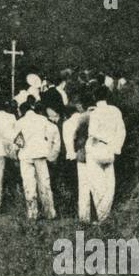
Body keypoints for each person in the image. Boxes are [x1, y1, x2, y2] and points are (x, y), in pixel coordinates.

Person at [85, 84, 126, 222]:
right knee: (110, 185)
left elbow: (92, 132)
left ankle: (102, 218)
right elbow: (121, 131)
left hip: (97, 148)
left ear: (94, 97)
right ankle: (105, 216)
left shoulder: (95, 113)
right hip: (110, 150)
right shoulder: (115, 111)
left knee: (97, 185)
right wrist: (116, 147)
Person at [14, 100, 61, 219]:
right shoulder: (42, 120)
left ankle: (32, 213)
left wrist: (16, 152)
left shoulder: (20, 122)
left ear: (22, 111)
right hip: (40, 153)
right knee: (44, 183)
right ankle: (50, 212)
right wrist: (50, 151)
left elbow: (18, 142)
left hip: (26, 155)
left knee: (29, 184)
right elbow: (53, 133)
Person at [62, 92, 92, 220]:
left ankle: (79, 214)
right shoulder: (86, 117)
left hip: (72, 156)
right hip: (85, 153)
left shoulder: (67, 123)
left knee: (77, 186)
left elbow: (70, 140)